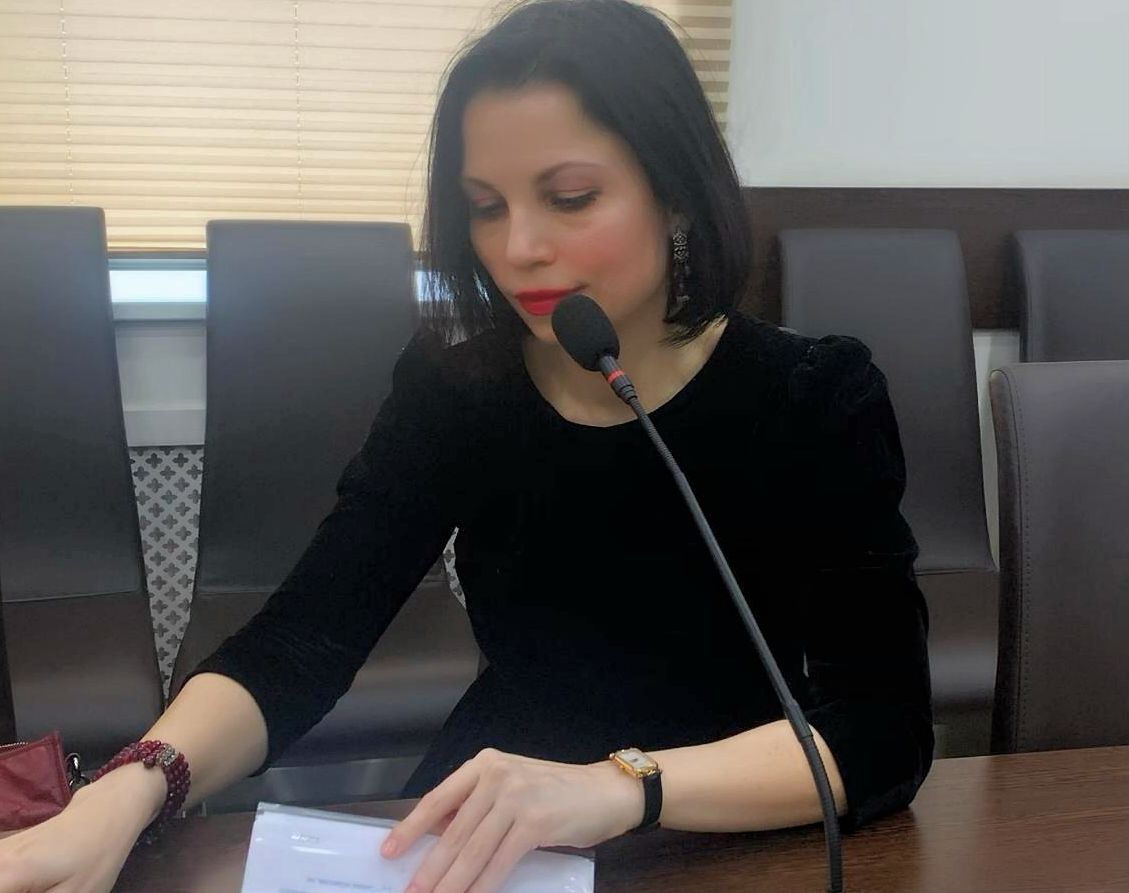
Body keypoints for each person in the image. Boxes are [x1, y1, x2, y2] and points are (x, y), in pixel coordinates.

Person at [0, 1, 933, 891]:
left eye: (570, 198)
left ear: (677, 194)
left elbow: (879, 731)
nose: (518, 247)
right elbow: (305, 637)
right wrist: (129, 790)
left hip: (729, 816)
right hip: (497, 811)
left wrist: (622, 785)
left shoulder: (812, 395)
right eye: (485, 206)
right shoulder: (462, 388)